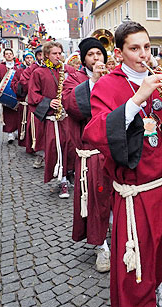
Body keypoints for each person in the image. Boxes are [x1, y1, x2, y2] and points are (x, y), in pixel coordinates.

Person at [81, 20, 162, 307]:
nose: (143, 54)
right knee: (137, 258)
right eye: (134, 48)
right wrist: (135, 100)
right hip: (136, 190)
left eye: (147, 47)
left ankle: (157, 285)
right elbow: (95, 131)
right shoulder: (108, 85)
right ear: (119, 53)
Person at [62, 37, 114, 273]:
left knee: (116, 199)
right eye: (91, 54)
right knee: (94, 200)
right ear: (84, 59)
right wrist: (94, 81)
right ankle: (101, 246)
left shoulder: (113, 75)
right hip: (91, 152)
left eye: (99, 54)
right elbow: (72, 107)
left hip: (113, 149)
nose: (96, 58)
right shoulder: (74, 78)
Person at [28, 41, 75, 198]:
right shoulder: (38, 73)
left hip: (67, 117)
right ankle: (61, 181)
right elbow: (33, 95)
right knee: (56, 148)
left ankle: (69, 174)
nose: (58, 56)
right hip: (51, 119)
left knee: (70, 147)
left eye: (60, 53)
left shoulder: (67, 70)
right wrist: (49, 102)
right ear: (46, 55)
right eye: (55, 53)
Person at [19, 46, 45, 165]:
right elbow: (23, 81)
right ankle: (38, 151)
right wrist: (36, 84)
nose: (42, 57)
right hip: (36, 102)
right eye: (39, 55)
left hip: (52, 102)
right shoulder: (32, 68)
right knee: (36, 128)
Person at [0, 48, 22, 144]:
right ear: (4, 56)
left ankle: (17, 130)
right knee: (7, 112)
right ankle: (10, 132)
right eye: (6, 54)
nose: (8, 55)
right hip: (6, 93)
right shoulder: (0, 67)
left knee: (18, 111)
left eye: (10, 54)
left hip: (16, 92)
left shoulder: (18, 67)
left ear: (13, 55)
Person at [11, 50, 36, 151]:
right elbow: (14, 83)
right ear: (24, 59)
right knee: (24, 124)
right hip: (24, 102)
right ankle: (27, 145)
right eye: (27, 58)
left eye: (31, 58)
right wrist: (23, 86)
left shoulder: (37, 69)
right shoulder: (19, 70)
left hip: (34, 103)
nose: (29, 60)